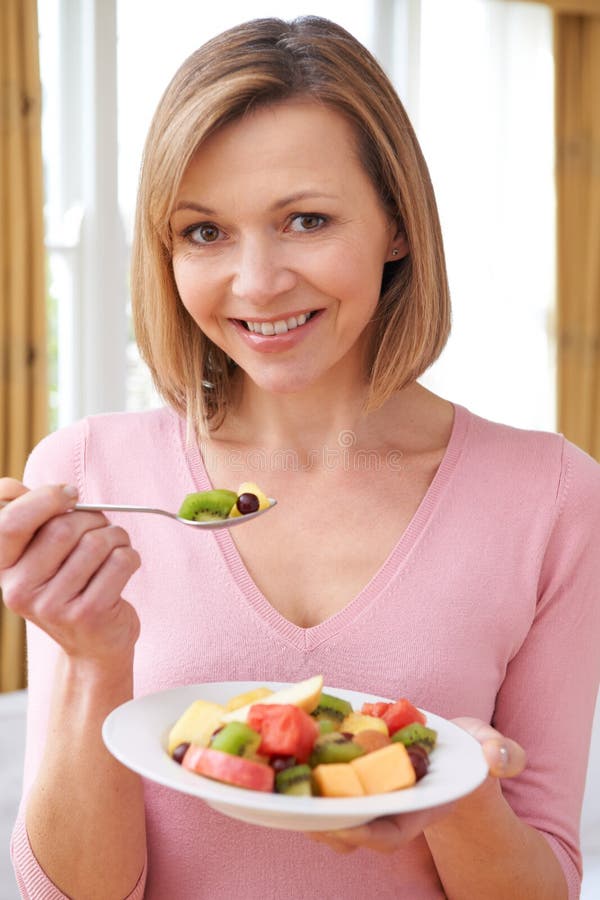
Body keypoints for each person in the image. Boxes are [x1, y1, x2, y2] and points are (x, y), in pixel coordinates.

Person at [2, 15, 599, 900]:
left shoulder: (553, 496)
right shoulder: (90, 477)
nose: (257, 282)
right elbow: (73, 895)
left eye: (306, 220)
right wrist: (96, 660)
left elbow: (546, 881)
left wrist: (460, 795)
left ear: (396, 226)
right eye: (204, 232)